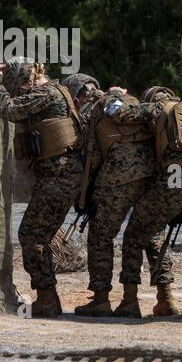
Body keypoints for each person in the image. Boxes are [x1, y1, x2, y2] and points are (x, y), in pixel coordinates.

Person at [0, 59, 84, 318]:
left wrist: (0, 86)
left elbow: (8, 110)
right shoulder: (52, 91)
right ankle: (48, 299)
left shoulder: (45, 93)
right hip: (60, 175)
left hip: (59, 175)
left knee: (31, 236)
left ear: (27, 80)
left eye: (20, 86)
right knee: (37, 236)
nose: (21, 92)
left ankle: (46, 299)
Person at [67, 74, 157, 317]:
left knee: (100, 236)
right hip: (150, 175)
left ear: (78, 95)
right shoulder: (131, 99)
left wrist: (86, 193)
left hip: (117, 179)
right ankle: (160, 297)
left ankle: (101, 299)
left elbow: (92, 155)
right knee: (146, 236)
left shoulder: (92, 110)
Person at [104, 85, 182, 317]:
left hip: (172, 182)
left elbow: (114, 111)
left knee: (135, 235)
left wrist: (116, 95)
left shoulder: (155, 109)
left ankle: (129, 301)